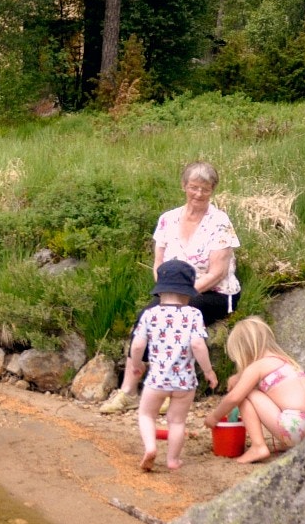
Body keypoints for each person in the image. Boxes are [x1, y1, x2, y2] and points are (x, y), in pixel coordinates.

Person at [101, 160, 241, 413]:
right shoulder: (168, 219)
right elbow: (158, 264)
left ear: (213, 190)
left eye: (205, 189)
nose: (199, 194)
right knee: (147, 316)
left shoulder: (219, 222)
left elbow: (217, 272)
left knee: (179, 319)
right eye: (194, 187)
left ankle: (169, 390)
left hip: (215, 292)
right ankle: (129, 390)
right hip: (172, 291)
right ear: (184, 186)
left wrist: (183, 296)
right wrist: (166, 292)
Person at [130, 259, 218, 471]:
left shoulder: (150, 314)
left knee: (146, 414)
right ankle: (172, 460)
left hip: (157, 380)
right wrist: (208, 371)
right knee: (177, 422)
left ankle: (150, 448)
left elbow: (137, 345)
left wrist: (137, 365)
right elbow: (198, 344)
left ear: (160, 291)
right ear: (188, 291)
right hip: (185, 381)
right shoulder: (194, 314)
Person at [204, 316, 305, 464]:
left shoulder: (257, 367)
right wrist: (239, 377)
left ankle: (258, 446)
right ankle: (289, 443)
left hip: (294, 427)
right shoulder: (286, 361)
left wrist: (215, 417)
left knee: (245, 395)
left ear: (244, 350)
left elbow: (234, 398)